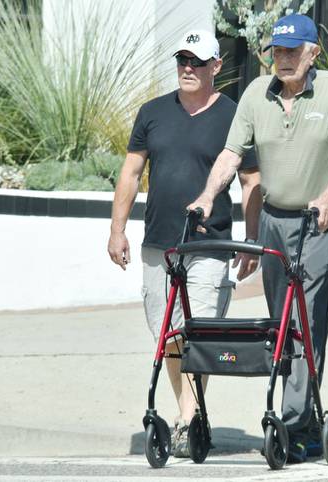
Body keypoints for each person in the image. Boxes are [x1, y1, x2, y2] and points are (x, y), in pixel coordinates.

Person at [189, 13, 328, 463]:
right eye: (277, 52)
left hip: (319, 221)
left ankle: (293, 422)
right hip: (272, 219)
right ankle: (299, 417)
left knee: (305, 322)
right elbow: (231, 154)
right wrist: (209, 195)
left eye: (292, 51)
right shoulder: (255, 94)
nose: (283, 60)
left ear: (313, 53)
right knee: (280, 324)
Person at [107, 29, 260, 458]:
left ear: (216, 66)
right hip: (159, 243)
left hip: (210, 246)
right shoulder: (153, 112)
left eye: (197, 61)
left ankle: (188, 420)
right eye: (182, 60)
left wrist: (251, 239)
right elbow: (131, 173)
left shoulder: (234, 115)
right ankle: (191, 414)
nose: (187, 68)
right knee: (169, 338)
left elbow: (251, 181)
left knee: (200, 335)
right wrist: (117, 229)